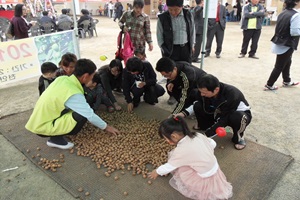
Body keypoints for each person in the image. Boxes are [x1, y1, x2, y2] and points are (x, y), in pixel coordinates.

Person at [25, 59, 120, 150]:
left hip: (38, 120)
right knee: (82, 115)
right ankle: (55, 139)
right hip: (43, 126)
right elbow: (89, 115)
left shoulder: (63, 79)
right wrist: (107, 127)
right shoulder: (73, 93)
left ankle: (57, 132)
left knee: (81, 109)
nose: (92, 78)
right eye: (92, 76)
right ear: (85, 76)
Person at [148, 116, 233, 200]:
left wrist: (157, 171)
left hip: (204, 176)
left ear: (174, 136)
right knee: (185, 161)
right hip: (214, 168)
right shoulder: (198, 135)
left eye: (166, 138)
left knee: (181, 167)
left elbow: (170, 166)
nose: (166, 141)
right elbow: (212, 143)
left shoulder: (181, 151)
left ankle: (201, 189)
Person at [175, 74, 252, 150]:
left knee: (238, 117)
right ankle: (204, 126)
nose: (202, 94)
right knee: (198, 105)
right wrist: (183, 113)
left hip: (235, 115)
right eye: (200, 91)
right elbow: (197, 103)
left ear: (216, 90)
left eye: (204, 93)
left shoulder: (232, 94)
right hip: (218, 112)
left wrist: (206, 136)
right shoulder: (203, 91)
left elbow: (224, 118)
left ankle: (239, 137)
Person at [264, 0, 300, 91]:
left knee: (287, 61)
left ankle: (287, 80)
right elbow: (294, 32)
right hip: (287, 43)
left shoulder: (283, 13)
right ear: (296, 2)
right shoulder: (296, 15)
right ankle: (269, 84)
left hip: (280, 41)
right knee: (279, 65)